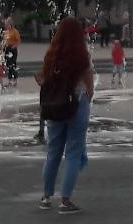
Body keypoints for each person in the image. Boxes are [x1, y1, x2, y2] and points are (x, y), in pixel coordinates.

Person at [38, 17, 94, 215]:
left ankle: (46, 197)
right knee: (73, 152)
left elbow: (43, 80)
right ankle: (65, 201)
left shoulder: (51, 55)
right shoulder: (81, 55)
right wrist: (87, 97)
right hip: (77, 105)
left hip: (54, 107)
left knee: (53, 151)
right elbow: (89, 85)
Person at [3, 17, 21, 87]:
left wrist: (13, 46)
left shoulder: (15, 31)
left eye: (7, 24)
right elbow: (4, 40)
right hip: (7, 48)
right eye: (5, 24)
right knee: (8, 65)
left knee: (13, 64)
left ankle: (15, 80)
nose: (6, 26)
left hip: (12, 48)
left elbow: (18, 41)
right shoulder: (6, 32)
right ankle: (10, 80)